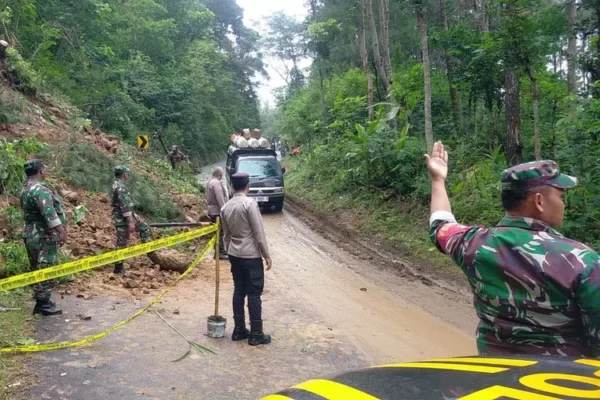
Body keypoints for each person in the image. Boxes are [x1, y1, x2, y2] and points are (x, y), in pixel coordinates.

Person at [426, 141, 600, 357]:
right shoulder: (582, 261)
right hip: (559, 385)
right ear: (539, 201)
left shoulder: (473, 244)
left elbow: (440, 225)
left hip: (494, 381)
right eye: (560, 196)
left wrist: (438, 181)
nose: (563, 204)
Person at [221, 173, 273, 346]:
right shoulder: (250, 204)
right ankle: (256, 333)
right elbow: (258, 233)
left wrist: (229, 253)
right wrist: (266, 254)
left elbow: (226, 236)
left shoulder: (225, 207)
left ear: (232, 186)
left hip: (235, 255)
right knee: (254, 293)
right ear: (247, 186)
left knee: (238, 291)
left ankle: (239, 330)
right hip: (251, 256)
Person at [20, 159, 67, 316]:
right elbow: (49, 213)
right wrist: (61, 231)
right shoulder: (40, 190)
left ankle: (41, 300)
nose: (46, 171)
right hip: (43, 236)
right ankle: (43, 304)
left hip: (30, 234)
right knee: (47, 267)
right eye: (44, 169)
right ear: (40, 171)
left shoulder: (25, 189)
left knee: (36, 268)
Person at [111, 165, 156, 274]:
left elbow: (124, 205)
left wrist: (134, 215)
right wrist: (130, 221)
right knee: (122, 241)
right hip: (122, 219)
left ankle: (151, 252)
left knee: (143, 226)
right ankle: (118, 268)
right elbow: (124, 206)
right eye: (126, 173)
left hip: (121, 217)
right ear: (124, 174)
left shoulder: (116, 184)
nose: (128, 175)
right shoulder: (121, 187)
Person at [206, 167, 228, 260]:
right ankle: (220, 252)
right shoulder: (216, 183)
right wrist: (224, 210)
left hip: (212, 210)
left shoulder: (209, 182)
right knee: (220, 232)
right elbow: (220, 198)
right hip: (217, 211)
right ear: (220, 174)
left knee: (218, 231)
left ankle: (221, 250)